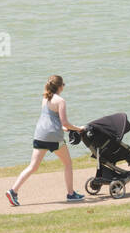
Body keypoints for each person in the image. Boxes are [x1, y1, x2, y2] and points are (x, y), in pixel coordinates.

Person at [5, 74, 85, 206]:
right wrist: (78, 129)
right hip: (54, 138)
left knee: (33, 166)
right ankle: (71, 194)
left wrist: (66, 129)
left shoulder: (45, 98)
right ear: (60, 86)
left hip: (40, 135)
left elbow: (52, 120)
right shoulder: (60, 101)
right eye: (63, 84)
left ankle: (13, 191)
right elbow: (64, 122)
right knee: (68, 164)